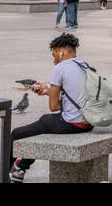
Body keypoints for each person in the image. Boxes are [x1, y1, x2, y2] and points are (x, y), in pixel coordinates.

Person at [9, 33, 95, 182]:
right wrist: (48, 91)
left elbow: (53, 107)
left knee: (18, 133)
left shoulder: (60, 68)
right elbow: (76, 99)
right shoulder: (84, 65)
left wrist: (50, 94)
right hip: (89, 122)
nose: (53, 59)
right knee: (40, 129)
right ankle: (21, 165)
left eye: (54, 54)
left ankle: (10, 171)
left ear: (61, 51)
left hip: (72, 124)